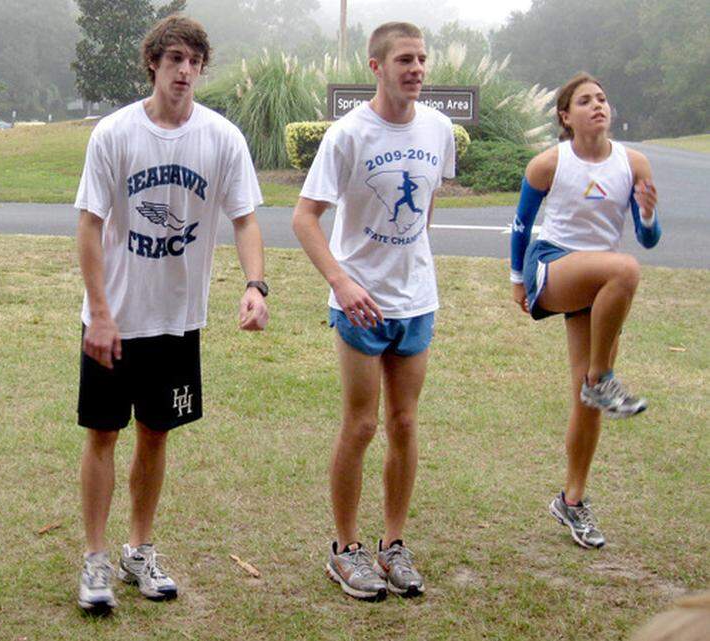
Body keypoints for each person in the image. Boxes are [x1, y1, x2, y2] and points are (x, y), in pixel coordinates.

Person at [74, 14, 269, 614]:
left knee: (156, 434)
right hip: (117, 318)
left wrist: (255, 284)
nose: (185, 71)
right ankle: (96, 557)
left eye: (194, 61)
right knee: (104, 433)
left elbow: (245, 219)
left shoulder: (221, 138)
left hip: (178, 321)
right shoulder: (114, 133)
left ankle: (139, 549)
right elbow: (88, 225)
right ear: (153, 64)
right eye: (175, 59)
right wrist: (101, 315)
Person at [292, 22, 456, 601]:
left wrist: (412, 268)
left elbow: (427, 206)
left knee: (405, 424)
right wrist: (342, 280)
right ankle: (345, 549)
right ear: (376, 66)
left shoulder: (439, 129)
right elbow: (304, 217)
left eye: (422, 59)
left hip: (417, 300)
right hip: (358, 304)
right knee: (361, 425)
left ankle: (393, 544)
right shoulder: (347, 135)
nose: (416, 69)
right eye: (405, 59)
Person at [509, 72, 660, 549]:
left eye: (602, 97)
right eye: (585, 101)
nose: (598, 105)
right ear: (565, 116)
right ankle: (603, 378)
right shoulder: (549, 163)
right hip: (554, 267)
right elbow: (520, 225)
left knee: (585, 400)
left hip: (600, 283)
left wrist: (650, 213)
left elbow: (649, 237)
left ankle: (572, 501)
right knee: (626, 271)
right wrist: (517, 281)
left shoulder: (633, 163)